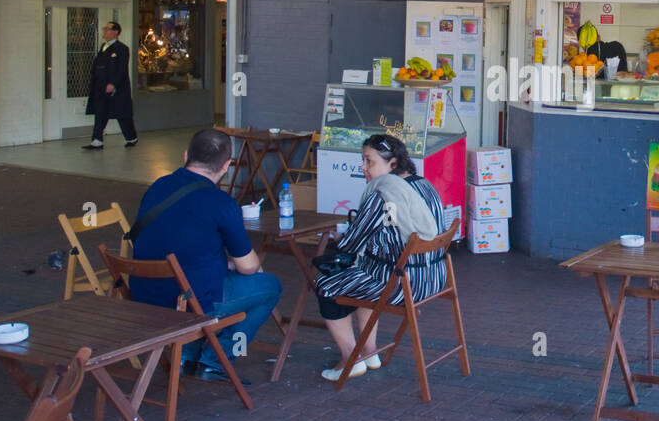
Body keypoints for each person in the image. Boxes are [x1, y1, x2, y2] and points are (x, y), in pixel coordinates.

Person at [129, 128, 281, 383]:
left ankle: (186, 355)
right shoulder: (222, 203)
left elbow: (172, 238)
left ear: (186, 154)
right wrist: (233, 263)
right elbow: (249, 267)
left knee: (202, 275)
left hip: (143, 292)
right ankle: (215, 360)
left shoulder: (158, 186)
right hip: (187, 301)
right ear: (226, 166)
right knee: (269, 285)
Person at [314, 134, 448, 381]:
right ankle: (369, 351)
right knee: (363, 271)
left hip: (403, 284)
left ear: (393, 164)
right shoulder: (424, 185)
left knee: (327, 285)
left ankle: (350, 359)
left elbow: (350, 245)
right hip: (435, 278)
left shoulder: (383, 195)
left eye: (369, 161)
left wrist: (338, 237)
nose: (363, 168)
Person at [83, 20, 138, 149]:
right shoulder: (103, 47)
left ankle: (131, 137)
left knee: (121, 113)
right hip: (101, 86)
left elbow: (121, 69)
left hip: (116, 87)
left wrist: (113, 84)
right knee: (101, 112)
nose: (105, 31)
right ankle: (97, 140)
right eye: (104, 29)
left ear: (116, 32)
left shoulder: (122, 49)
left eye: (108, 29)